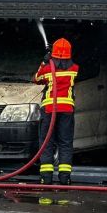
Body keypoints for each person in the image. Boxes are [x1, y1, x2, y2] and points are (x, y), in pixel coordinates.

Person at [34, 37, 79, 186]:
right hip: (66, 111)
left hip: (49, 110)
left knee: (47, 144)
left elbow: (36, 78)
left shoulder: (47, 69)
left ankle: (46, 178)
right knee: (65, 143)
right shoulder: (74, 69)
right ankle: (64, 178)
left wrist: (45, 61)